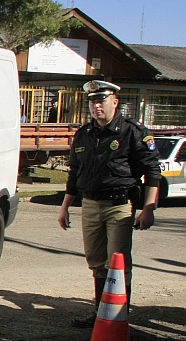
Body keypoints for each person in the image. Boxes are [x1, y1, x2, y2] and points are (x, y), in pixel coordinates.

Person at [57, 80, 161, 327]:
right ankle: (100, 314)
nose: (96, 106)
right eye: (92, 102)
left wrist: (149, 208)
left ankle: (118, 319)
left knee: (118, 262)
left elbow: (152, 172)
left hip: (119, 205)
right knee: (96, 262)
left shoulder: (132, 132)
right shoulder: (84, 134)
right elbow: (75, 173)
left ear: (115, 102)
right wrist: (65, 207)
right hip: (90, 204)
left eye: (101, 100)